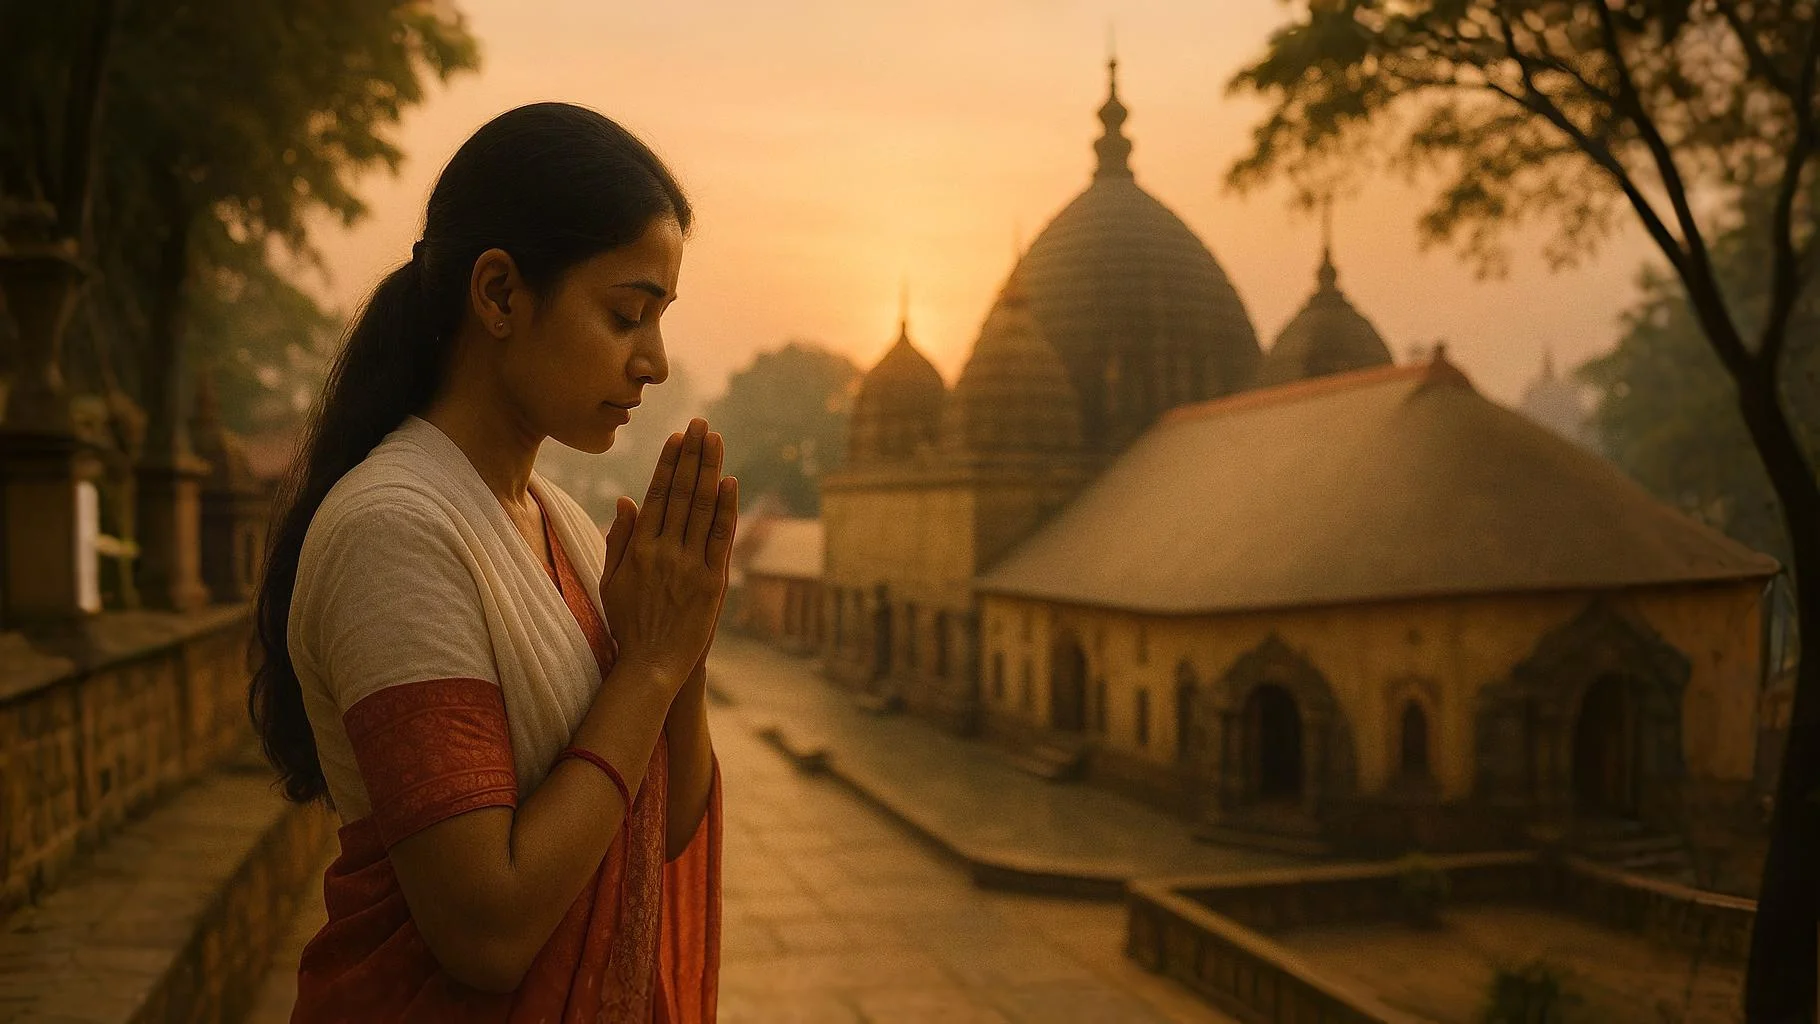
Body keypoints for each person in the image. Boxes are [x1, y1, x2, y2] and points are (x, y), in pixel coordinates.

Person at [247, 102, 730, 1022]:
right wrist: (649, 667)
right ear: (501, 293)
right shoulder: (396, 532)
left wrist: (683, 647)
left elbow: (656, 827)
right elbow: (487, 932)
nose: (656, 362)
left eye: (659, 318)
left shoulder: (566, 529)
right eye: (628, 313)